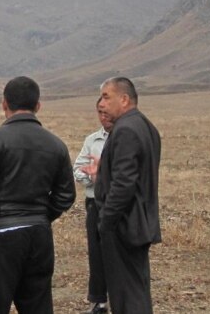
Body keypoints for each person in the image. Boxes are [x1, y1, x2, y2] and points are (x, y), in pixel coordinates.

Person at [0, 76, 76, 314]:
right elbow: (66, 194)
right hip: (39, 235)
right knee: (38, 306)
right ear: (38, 105)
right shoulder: (56, 145)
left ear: (4, 103)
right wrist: (41, 216)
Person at [95, 76, 162, 314]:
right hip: (137, 222)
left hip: (125, 225)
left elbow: (124, 183)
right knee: (135, 288)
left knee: (127, 296)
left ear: (124, 99)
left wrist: (106, 221)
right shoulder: (145, 125)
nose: (101, 103)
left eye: (106, 97)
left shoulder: (126, 130)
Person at [73, 104, 113, 314]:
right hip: (95, 203)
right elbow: (77, 170)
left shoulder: (125, 139)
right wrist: (92, 177)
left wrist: (102, 176)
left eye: (106, 112)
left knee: (117, 253)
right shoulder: (92, 140)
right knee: (96, 253)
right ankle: (99, 301)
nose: (103, 116)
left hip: (117, 203)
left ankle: (121, 299)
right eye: (100, 112)